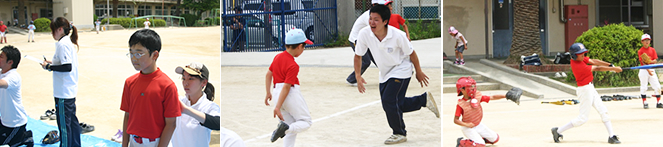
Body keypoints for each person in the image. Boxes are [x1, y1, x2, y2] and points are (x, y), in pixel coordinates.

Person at [353, 5, 439, 145]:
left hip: (401, 68)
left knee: (389, 101)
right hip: (385, 72)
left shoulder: (398, 35)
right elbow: (358, 56)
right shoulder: (364, 34)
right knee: (392, 104)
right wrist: (358, 75)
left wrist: (418, 71)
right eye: (370, 19)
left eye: (376, 20)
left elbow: (412, 53)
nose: (372, 23)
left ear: (385, 21)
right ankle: (423, 100)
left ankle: (399, 133)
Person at [551, 43, 622, 144]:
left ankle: (612, 136)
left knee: (603, 111)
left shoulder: (580, 58)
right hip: (584, 90)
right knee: (582, 118)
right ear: (574, 56)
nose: (583, 54)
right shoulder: (578, 65)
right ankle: (557, 131)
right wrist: (614, 69)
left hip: (590, 88)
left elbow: (594, 61)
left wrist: (609, 65)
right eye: (581, 53)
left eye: (584, 52)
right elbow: (596, 68)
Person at [121, 29, 181, 147]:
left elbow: (171, 123)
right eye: (131, 53)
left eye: (138, 53)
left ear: (154, 55)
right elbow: (127, 115)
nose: (133, 58)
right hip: (134, 141)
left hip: (156, 142)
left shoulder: (167, 85)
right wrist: (124, 144)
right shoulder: (130, 82)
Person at [264, 28, 313, 147]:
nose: (303, 49)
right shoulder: (293, 65)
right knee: (306, 122)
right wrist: (277, 107)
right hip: (290, 94)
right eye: (304, 46)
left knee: (290, 130)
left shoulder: (277, 57)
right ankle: (285, 129)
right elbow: (286, 87)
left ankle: (285, 128)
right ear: (299, 46)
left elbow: (268, 74)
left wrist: (268, 93)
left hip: (276, 92)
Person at [40, 17, 81, 147]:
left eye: (53, 31)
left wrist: (49, 67)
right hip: (68, 90)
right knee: (72, 123)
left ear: (60, 29)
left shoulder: (63, 44)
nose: (52, 34)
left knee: (64, 126)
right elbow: (64, 63)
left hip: (63, 92)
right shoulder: (66, 42)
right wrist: (51, 63)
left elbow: (67, 67)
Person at [170, 62, 220, 147]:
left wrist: (186, 110)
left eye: (191, 79)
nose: (185, 83)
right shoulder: (179, 101)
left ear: (203, 82)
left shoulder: (209, 107)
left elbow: (217, 123)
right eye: (183, 78)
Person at [345, 0, 390, 86]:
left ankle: (389, 76)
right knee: (365, 61)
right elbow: (375, 32)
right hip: (356, 40)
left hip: (366, 40)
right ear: (374, 5)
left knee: (378, 58)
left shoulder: (380, 17)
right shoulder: (369, 16)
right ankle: (351, 79)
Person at [453, 77, 505, 147]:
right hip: (468, 127)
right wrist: (467, 125)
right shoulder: (461, 104)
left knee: (495, 138)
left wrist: (506, 96)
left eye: (472, 87)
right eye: (469, 87)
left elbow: (492, 97)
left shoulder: (477, 97)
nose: (472, 89)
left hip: (478, 124)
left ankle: (477, 140)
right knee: (481, 145)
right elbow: (456, 120)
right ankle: (461, 142)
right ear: (462, 90)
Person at [0, 45, 34, 147]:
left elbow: (2, 83)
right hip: (4, 121)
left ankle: (24, 137)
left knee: (6, 144)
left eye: (1, 57)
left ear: (10, 62)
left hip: (15, 124)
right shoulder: (2, 72)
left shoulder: (14, 77)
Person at [637, 34, 661, 109]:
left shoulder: (652, 50)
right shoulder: (640, 51)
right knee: (644, 86)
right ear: (642, 42)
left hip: (651, 68)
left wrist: (650, 61)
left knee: (657, 86)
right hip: (644, 69)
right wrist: (648, 69)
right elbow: (643, 62)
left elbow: (655, 60)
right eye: (645, 40)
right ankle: (645, 102)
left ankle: (659, 102)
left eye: (648, 40)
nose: (647, 42)